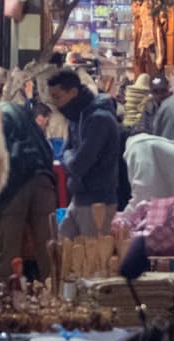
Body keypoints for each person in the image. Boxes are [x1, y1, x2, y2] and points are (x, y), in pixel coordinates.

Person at [0, 99, 59, 281]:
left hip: (12, 185)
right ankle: (58, 299)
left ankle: (3, 301)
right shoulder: (17, 111)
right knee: (49, 248)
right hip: (42, 179)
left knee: (6, 251)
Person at [49, 68, 124, 233]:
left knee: (93, 256)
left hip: (98, 202)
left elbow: (78, 165)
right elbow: (65, 152)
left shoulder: (99, 119)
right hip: (79, 198)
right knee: (63, 249)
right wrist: (70, 156)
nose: (54, 103)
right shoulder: (75, 116)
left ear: (73, 92)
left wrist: (69, 157)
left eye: (57, 97)